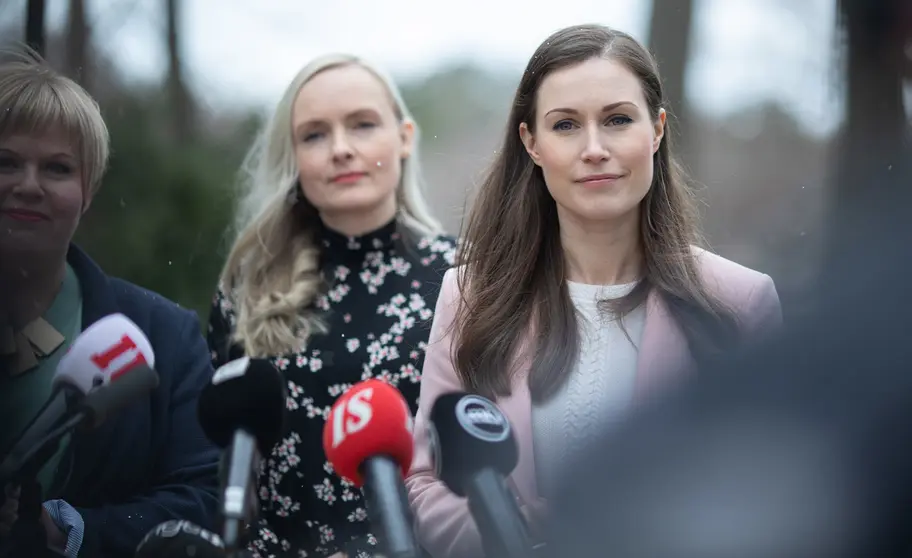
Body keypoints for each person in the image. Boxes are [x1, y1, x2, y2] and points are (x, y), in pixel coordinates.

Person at [406, 23, 783, 558]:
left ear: (656, 131)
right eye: (565, 125)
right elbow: (428, 485)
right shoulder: (470, 297)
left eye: (617, 120)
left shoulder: (741, 302)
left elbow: (772, 489)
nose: (594, 148)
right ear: (530, 142)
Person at [207, 53, 456, 558]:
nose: (341, 149)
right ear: (293, 157)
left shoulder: (464, 277)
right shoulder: (248, 287)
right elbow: (213, 458)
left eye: (362, 125)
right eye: (315, 135)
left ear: (404, 136)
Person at [0, 48, 220, 556]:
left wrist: (65, 530)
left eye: (57, 169)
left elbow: (202, 497)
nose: (28, 186)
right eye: (6, 161)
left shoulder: (164, 335)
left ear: (89, 192)